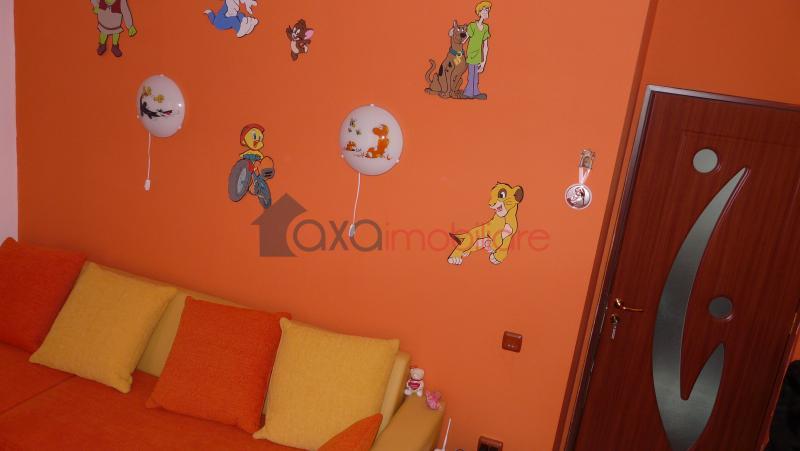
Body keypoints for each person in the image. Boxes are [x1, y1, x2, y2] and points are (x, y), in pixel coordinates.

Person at [464, 1, 491, 100]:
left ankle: (475, 92)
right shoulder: (472, 26)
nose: (486, 12)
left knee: (476, 75)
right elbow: (465, 39)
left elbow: (486, 46)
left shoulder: (486, 28)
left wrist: (483, 63)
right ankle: (468, 92)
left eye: (487, 10)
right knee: (472, 74)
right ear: (479, 12)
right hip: (471, 54)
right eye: (484, 10)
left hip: (479, 56)